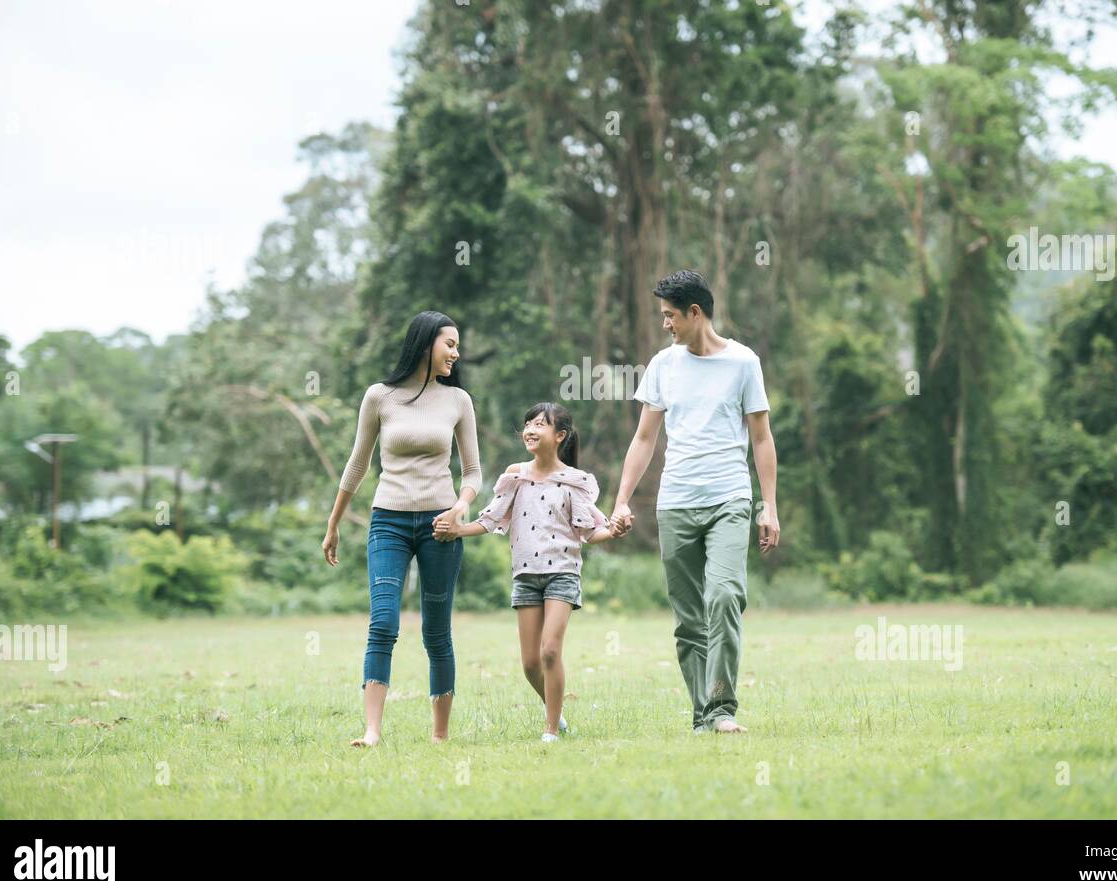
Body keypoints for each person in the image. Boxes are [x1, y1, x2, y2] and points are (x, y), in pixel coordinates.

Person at [609, 270, 779, 734]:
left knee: (724, 597)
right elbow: (644, 438)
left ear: (695, 313)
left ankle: (723, 708)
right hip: (677, 502)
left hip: (729, 496)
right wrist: (622, 500)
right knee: (688, 619)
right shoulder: (663, 366)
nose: (665, 324)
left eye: (670, 315)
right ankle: (702, 715)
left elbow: (762, 439)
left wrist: (770, 505)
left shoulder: (744, 363)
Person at [322, 310, 482, 747]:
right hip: (388, 520)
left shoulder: (458, 400)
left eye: (457, 345)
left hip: (440, 526)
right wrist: (334, 522)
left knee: (436, 629)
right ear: (426, 342)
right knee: (384, 621)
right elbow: (358, 463)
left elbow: (472, 472)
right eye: (449, 343)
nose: (456, 352)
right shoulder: (380, 396)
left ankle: (441, 735)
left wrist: (461, 507)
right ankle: (372, 730)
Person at [439, 402, 623, 741]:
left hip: (562, 573)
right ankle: (558, 713)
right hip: (525, 574)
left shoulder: (574, 481)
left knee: (550, 651)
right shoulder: (516, 476)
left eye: (541, 424)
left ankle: (551, 729)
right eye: (529, 423)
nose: (531, 429)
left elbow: (591, 531)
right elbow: (491, 518)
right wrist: (456, 531)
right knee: (529, 664)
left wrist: (613, 530)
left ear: (560, 435)